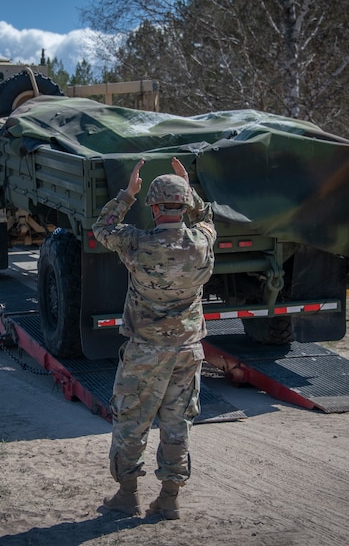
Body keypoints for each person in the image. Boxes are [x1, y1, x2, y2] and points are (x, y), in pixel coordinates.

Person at [92, 157, 216, 520]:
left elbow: (103, 228)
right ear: (182, 204)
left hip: (145, 351)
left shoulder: (137, 244)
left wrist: (127, 195)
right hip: (187, 350)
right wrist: (189, 190)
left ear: (154, 207)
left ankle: (127, 494)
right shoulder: (201, 244)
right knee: (178, 423)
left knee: (132, 420)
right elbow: (208, 220)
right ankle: (169, 499)